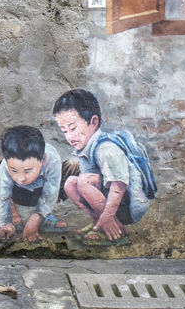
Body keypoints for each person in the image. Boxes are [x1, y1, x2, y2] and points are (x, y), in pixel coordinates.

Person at [52, 90, 156, 245]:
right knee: (71, 183)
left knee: (83, 181)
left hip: (130, 204)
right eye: (64, 131)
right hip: (113, 201)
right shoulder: (85, 148)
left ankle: (109, 225)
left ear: (93, 122)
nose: (69, 136)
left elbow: (119, 186)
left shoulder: (105, 148)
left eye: (72, 128)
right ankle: (101, 225)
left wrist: (107, 216)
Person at [0, 125, 66, 241]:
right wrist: (5, 222)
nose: (21, 178)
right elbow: (3, 195)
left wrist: (35, 219)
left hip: (41, 193)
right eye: (14, 170)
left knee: (74, 165)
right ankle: (14, 218)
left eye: (28, 171)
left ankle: (46, 217)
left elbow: (51, 191)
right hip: (17, 194)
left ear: (43, 160)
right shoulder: (6, 164)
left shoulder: (51, 158)